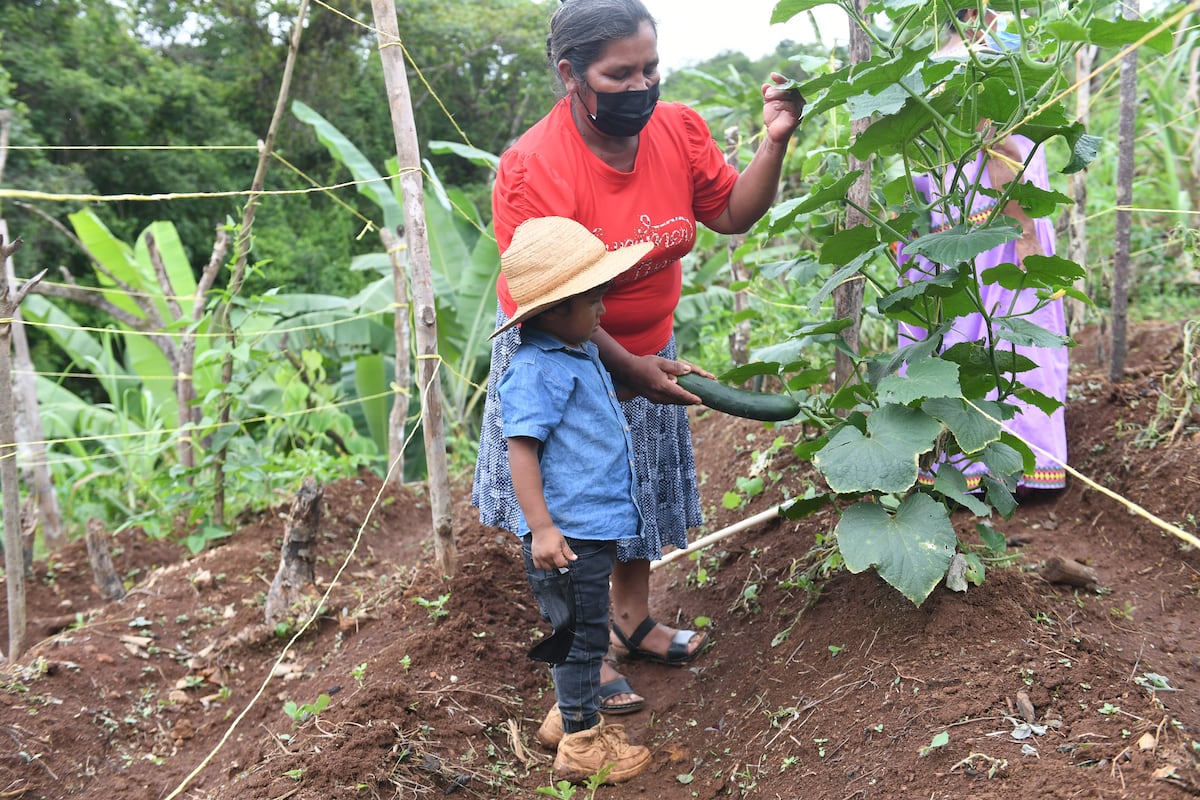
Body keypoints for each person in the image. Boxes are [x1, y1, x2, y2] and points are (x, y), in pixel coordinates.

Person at [472, 0, 805, 716]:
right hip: (563, 355)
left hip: (650, 344)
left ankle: (632, 620)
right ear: (571, 74)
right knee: (572, 519)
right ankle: (578, 661)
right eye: (618, 74)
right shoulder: (534, 168)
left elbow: (731, 214)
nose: (640, 85)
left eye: (650, 68)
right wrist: (626, 367)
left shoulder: (677, 129)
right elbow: (553, 301)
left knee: (637, 493)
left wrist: (775, 143)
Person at [494, 216, 654, 784]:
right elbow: (521, 449)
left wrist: (652, 380)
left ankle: (567, 719)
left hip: (587, 529)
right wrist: (541, 528)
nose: (604, 312)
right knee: (584, 639)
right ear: (556, 310)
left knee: (582, 632)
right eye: (594, 302)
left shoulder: (573, 355)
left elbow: (594, 409)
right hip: (569, 537)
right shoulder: (537, 369)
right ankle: (584, 746)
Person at [897, 9, 1068, 496]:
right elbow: (1003, 149)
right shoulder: (985, 56)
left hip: (952, 228)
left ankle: (958, 469)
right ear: (972, 13)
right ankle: (1021, 468)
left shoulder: (932, 63)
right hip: (998, 227)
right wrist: (1027, 235)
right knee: (1016, 334)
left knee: (957, 340)